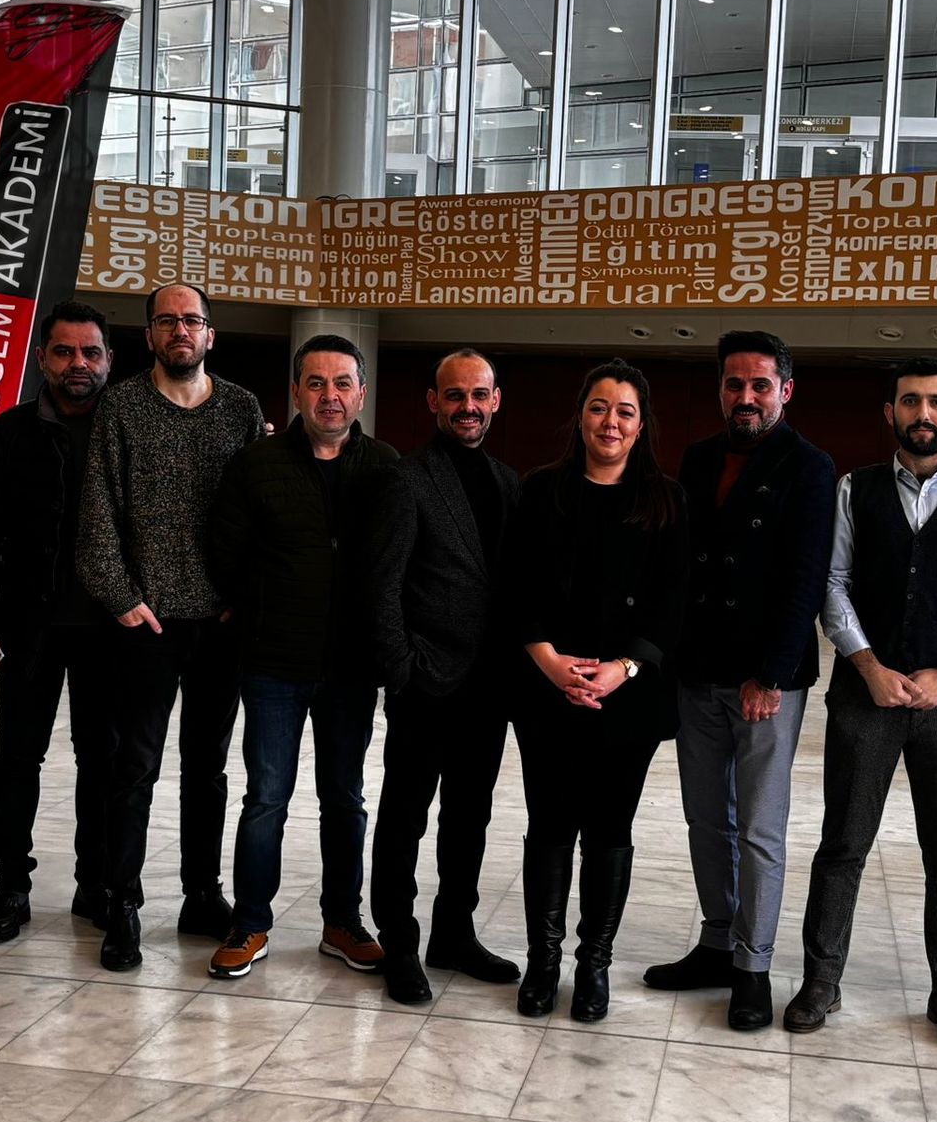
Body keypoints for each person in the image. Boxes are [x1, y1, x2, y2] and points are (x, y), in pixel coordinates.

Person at [789, 358, 937, 1046]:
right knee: (843, 845)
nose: (924, 413)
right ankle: (821, 980)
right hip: (865, 695)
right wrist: (869, 666)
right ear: (890, 412)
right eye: (911, 401)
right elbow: (832, 583)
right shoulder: (853, 489)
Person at [645, 331, 835, 1031]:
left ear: (786, 390)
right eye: (734, 384)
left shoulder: (810, 466)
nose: (746, 397)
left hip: (765, 681)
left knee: (758, 827)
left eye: (760, 385)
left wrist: (771, 675)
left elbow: (804, 580)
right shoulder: (698, 457)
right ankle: (717, 942)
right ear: (720, 390)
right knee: (706, 819)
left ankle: (752, 968)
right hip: (698, 672)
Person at [76, 283, 263, 971]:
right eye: (167, 321)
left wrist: (243, 595)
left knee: (207, 770)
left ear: (210, 334)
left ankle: (202, 895)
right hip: (145, 623)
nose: (180, 330)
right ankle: (122, 903)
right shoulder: (121, 406)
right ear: (149, 335)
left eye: (192, 320)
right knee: (134, 769)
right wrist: (123, 598)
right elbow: (97, 512)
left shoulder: (242, 408)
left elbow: (262, 512)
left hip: (221, 623)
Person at [205, 334, 399, 979]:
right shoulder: (255, 464)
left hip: (351, 668)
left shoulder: (386, 467)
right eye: (316, 383)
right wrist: (256, 607)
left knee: (345, 799)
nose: (329, 396)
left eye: (342, 383)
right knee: (266, 798)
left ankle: (342, 922)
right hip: (273, 664)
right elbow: (224, 552)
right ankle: (249, 923)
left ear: (361, 393)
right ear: (295, 393)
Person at [504, 360, 688, 1022]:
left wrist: (623, 667)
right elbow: (515, 587)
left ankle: (594, 965)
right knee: (550, 826)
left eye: (625, 411)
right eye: (599, 407)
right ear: (581, 416)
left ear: (641, 426)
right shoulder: (540, 490)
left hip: (628, 697)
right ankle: (543, 962)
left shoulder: (666, 500)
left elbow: (671, 604)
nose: (611, 422)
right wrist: (550, 663)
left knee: (610, 829)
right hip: (546, 691)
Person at [367, 350, 523, 1004]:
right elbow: (381, 585)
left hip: (489, 687)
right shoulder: (406, 478)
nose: (468, 407)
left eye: (479, 395)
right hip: (426, 682)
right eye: (455, 395)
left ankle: (453, 933)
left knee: (469, 818)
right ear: (433, 402)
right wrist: (401, 670)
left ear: (495, 401)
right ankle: (399, 942)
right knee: (405, 817)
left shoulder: (508, 482)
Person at [0, 302, 117, 945]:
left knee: (102, 761)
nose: (78, 363)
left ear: (109, 360)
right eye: (64, 351)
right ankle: (11, 886)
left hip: (110, 628)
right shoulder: (8, 434)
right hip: (27, 627)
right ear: (42, 358)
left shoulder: (126, 430)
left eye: (90, 352)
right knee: (19, 756)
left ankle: (96, 884)